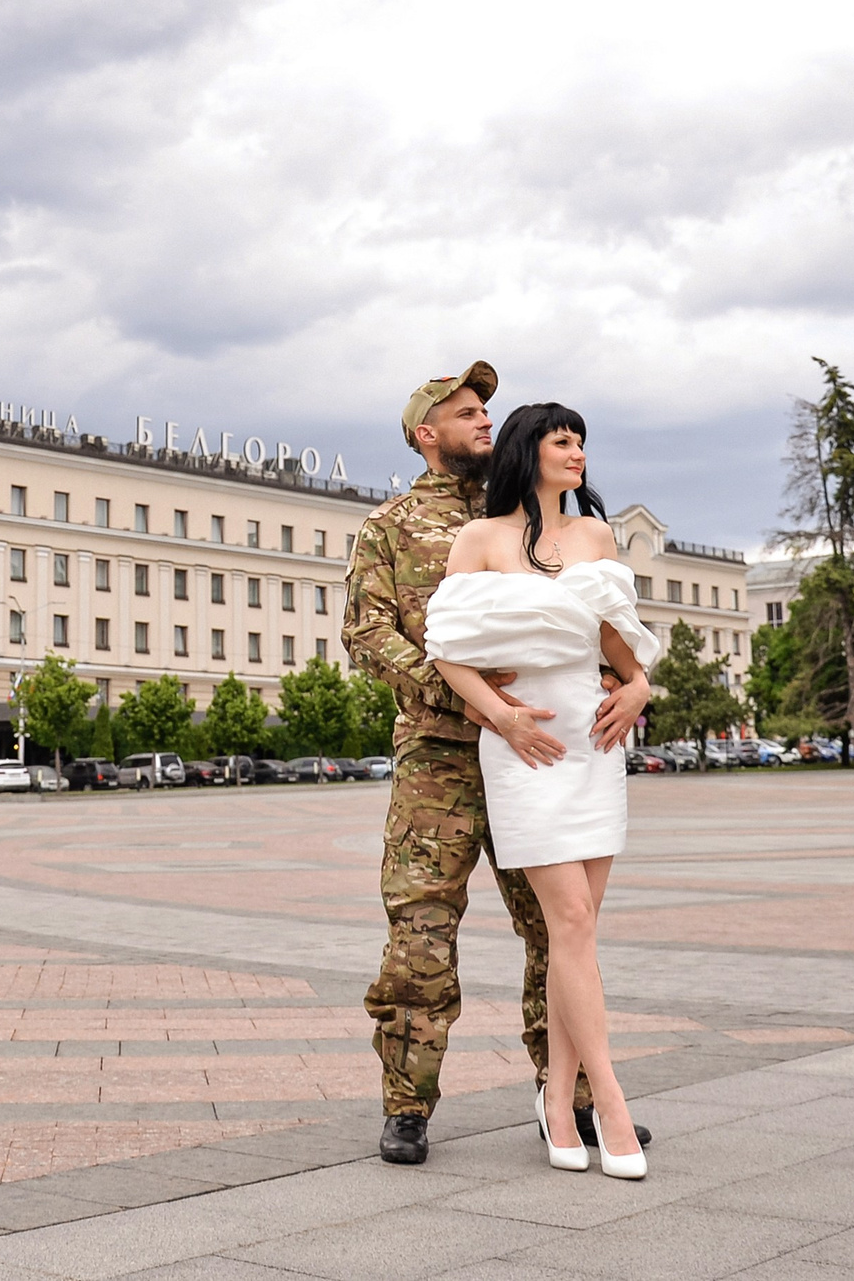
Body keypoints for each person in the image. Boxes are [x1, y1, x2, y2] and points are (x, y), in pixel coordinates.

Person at [346, 364, 648, 1167]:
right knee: (421, 929)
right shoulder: (391, 525)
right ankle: (408, 1105)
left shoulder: (522, 512)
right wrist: (473, 706)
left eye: (487, 411)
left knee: (562, 929)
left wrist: (620, 682)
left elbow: (587, 626)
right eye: (464, 412)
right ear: (426, 432)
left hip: (544, 750)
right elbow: (368, 636)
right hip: (441, 760)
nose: (483, 420)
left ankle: (573, 1100)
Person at [427, 401, 656, 1176]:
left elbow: (616, 635)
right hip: (525, 749)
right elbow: (447, 649)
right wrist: (501, 718)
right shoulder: (478, 538)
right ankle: (611, 1100)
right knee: (570, 921)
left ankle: (558, 1099)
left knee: (576, 932)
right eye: (564, 441)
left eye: (584, 441)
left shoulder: (595, 536)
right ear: (531, 449)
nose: (579, 453)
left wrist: (641, 687)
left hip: (594, 743)